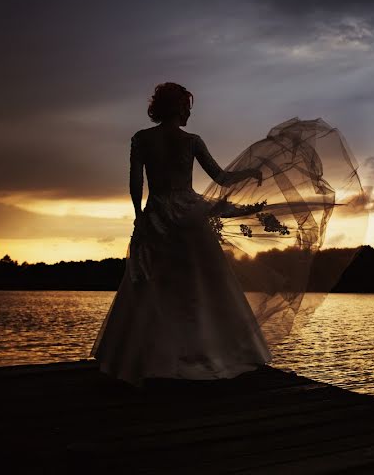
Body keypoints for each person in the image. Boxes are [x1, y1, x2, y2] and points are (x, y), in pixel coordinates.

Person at [91, 82, 271, 384]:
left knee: (155, 287)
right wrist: (250, 171)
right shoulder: (191, 141)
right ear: (179, 107)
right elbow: (222, 178)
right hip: (190, 215)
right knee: (199, 286)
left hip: (158, 215)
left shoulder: (141, 139)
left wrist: (140, 217)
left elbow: (137, 183)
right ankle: (203, 354)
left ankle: (149, 358)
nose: (190, 112)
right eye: (187, 106)